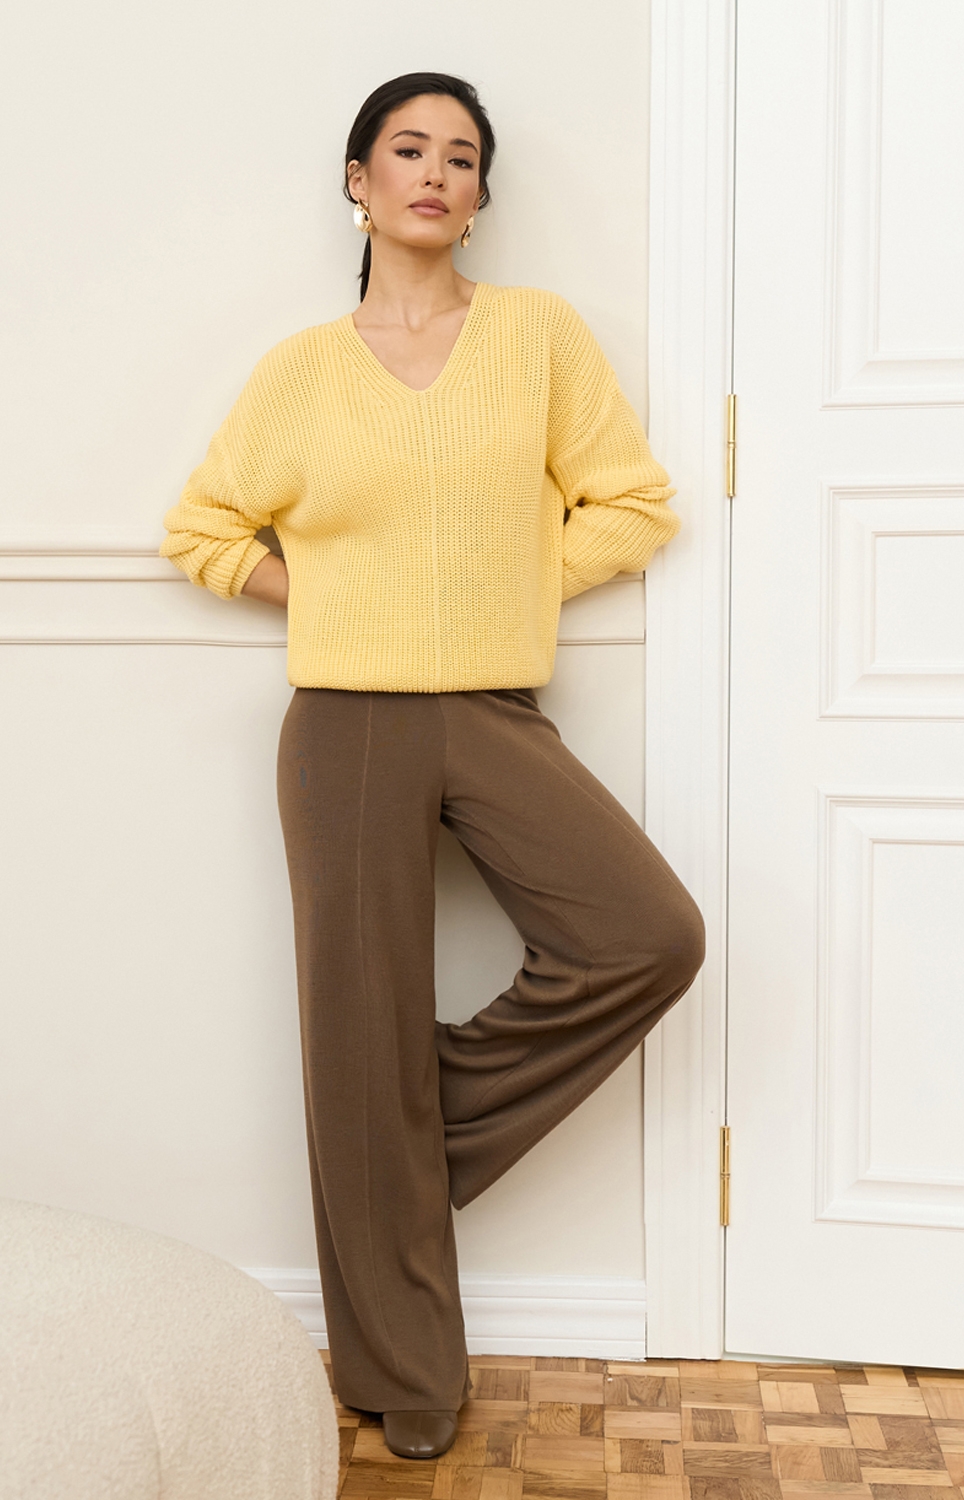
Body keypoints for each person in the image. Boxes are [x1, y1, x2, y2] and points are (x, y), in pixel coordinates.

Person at [159, 71, 705, 1462]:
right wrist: (339, 600)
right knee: (360, 1028)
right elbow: (202, 531)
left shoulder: (537, 336)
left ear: (479, 197)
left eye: (461, 157)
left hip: (489, 705)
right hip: (344, 721)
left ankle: (384, 1153)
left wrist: (506, 588)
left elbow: (634, 503)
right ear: (359, 182)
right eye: (407, 150)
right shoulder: (300, 369)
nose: (434, 173)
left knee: (647, 935)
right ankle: (404, 1370)